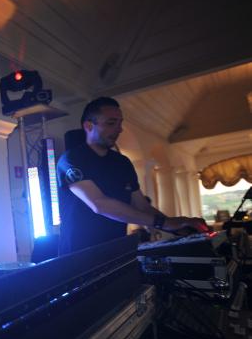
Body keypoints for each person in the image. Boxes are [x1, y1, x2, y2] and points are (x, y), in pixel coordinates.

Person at [57, 96, 208, 254]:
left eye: (119, 123)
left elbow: (141, 205)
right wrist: (164, 223)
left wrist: (179, 227)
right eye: (111, 123)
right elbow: (99, 204)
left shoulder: (122, 162)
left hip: (116, 251)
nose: (119, 129)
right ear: (88, 126)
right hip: (78, 256)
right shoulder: (71, 159)